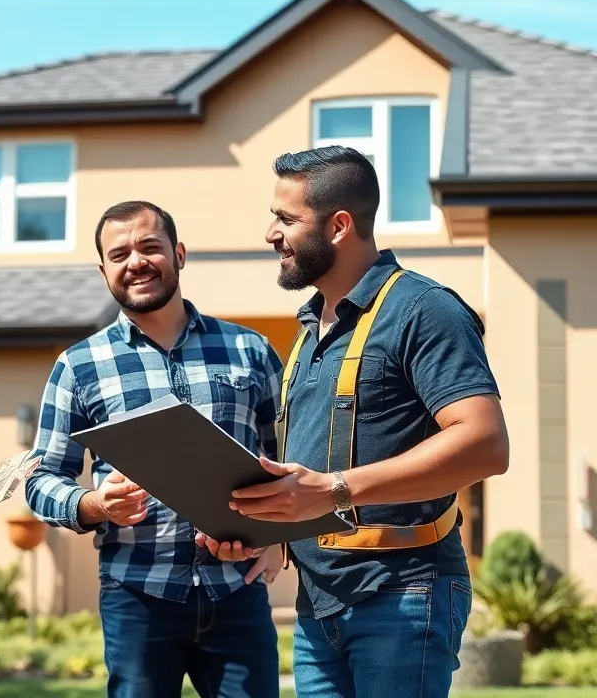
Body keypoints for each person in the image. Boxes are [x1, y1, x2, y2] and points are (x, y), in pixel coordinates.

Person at [203, 146, 510, 697]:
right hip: (320, 602)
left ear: (340, 225)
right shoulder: (309, 330)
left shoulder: (424, 310)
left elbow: (485, 443)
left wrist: (336, 490)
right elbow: (312, 475)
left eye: (286, 219)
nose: (271, 233)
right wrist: (262, 530)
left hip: (402, 594)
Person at [24, 200, 286, 698]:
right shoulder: (78, 366)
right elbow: (41, 481)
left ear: (179, 254)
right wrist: (93, 504)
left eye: (150, 247)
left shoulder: (250, 350)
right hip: (135, 597)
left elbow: (288, 462)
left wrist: (277, 539)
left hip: (237, 592)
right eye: (119, 254)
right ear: (103, 271)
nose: (135, 262)